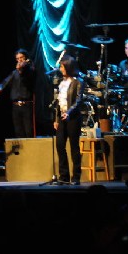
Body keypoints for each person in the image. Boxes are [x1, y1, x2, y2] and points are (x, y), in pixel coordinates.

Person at [53, 54, 86, 185]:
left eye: (62, 66)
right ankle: (64, 175)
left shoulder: (78, 82)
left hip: (73, 118)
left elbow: (78, 100)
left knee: (74, 147)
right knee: (60, 145)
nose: (61, 69)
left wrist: (69, 112)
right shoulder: (61, 83)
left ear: (69, 67)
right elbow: (58, 102)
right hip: (61, 117)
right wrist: (56, 118)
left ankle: (76, 176)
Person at [0, 48, 37, 138]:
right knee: (18, 130)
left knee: (29, 130)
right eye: (17, 59)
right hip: (15, 105)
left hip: (27, 105)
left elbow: (27, 81)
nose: (19, 60)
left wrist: (22, 70)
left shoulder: (30, 70)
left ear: (26, 58)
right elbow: (6, 81)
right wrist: (0, 87)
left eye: (21, 58)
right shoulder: (15, 72)